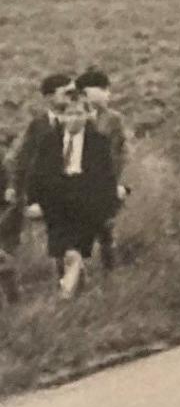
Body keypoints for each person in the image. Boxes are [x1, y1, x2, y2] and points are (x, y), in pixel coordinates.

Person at [27, 95, 119, 299]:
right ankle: (80, 290)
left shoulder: (99, 142)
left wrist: (109, 209)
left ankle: (65, 295)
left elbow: (107, 177)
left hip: (86, 200)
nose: (74, 119)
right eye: (69, 114)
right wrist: (33, 201)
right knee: (61, 254)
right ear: (60, 116)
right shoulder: (49, 141)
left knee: (74, 252)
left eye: (79, 113)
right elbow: (36, 173)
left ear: (87, 116)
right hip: (57, 201)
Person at [2, 72, 77, 296]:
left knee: (67, 244)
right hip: (37, 192)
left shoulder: (79, 121)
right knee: (8, 237)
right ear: (49, 97)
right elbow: (23, 158)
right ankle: (11, 290)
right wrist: (14, 187)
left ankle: (70, 293)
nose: (73, 97)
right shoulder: (38, 124)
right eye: (67, 93)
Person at [74, 69, 130, 269]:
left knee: (106, 231)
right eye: (103, 89)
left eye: (108, 89)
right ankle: (73, 283)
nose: (108, 94)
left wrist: (116, 182)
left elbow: (121, 152)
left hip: (105, 185)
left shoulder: (113, 119)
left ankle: (110, 277)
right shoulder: (71, 118)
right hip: (76, 185)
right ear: (85, 93)